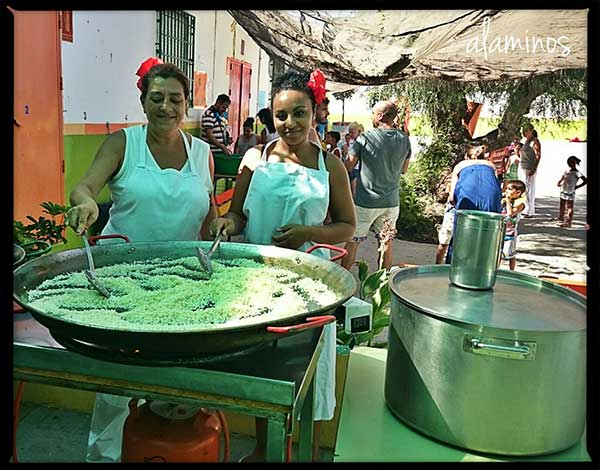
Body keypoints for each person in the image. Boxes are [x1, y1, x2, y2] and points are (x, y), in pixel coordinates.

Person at [67, 59, 217, 463]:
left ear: (186, 104)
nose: (166, 107)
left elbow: (209, 219)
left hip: (183, 283)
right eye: (157, 98)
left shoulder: (202, 153)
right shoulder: (123, 144)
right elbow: (85, 186)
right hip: (121, 281)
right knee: (117, 381)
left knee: (175, 376)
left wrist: (224, 227)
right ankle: (105, 455)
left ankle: (169, 446)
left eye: (175, 99)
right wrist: (84, 204)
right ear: (143, 102)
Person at [209, 69, 355, 462]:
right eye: (281, 115)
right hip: (256, 283)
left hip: (309, 289)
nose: (290, 124)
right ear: (270, 117)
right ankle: (263, 450)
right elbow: (238, 214)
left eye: (299, 113)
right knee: (266, 368)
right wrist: (227, 223)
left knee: (308, 368)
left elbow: (347, 226)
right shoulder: (256, 159)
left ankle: (305, 451)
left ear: (315, 113)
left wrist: (308, 232)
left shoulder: (330, 167)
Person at [341, 101, 411, 272]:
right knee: (386, 242)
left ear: (380, 116)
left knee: (352, 242)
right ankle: (382, 284)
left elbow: (347, 167)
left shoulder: (365, 138)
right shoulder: (405, 140)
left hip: (366, 202)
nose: (371, 116)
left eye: (373, 113)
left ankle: (342, 280)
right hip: (391, 202)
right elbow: (404, 170)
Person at [445, 143, 503, 263]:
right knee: (487, 234)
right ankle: (484, 265)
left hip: (468, 197)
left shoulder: (460, 165)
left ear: (467, 156)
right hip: (491, 199)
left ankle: (454, 265)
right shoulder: (491, 165)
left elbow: (451, 197)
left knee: (462, 235)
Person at [500, 179, 527, 270]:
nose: (507, 191)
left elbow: (510, 213)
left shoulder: (520, 204)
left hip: (510, 232)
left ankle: (512, 270)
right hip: (501, 230)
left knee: (510, 253)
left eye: (510, 189)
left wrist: (508, 201)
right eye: (506, 189)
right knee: (498, 252)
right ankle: (496, 269)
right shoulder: (504, 200)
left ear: (518, 192)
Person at [518, 123, 541, 218]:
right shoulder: (526, 141)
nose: (524, 132)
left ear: (531, 131)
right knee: (523, 189)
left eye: (526, 130)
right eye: (523, 130)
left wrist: (534, 168)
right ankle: (524, 208)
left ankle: (529, 211)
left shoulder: (534, 141)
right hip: (522, 166)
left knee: (529, 189)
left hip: (529, 168)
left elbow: (538, 156)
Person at [556, 155, 587, 228]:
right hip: (563, 189)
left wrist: (577, 186)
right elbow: (563, 176)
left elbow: (585, 181)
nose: (570, 164)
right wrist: (560, 181)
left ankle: (568, 222)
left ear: (575, 163)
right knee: (562, 204)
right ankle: (561, 217)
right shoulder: (567, 170)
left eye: (571, 163)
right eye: (569, 163)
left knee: (569, 207)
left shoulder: (577, 173)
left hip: (570, 191)